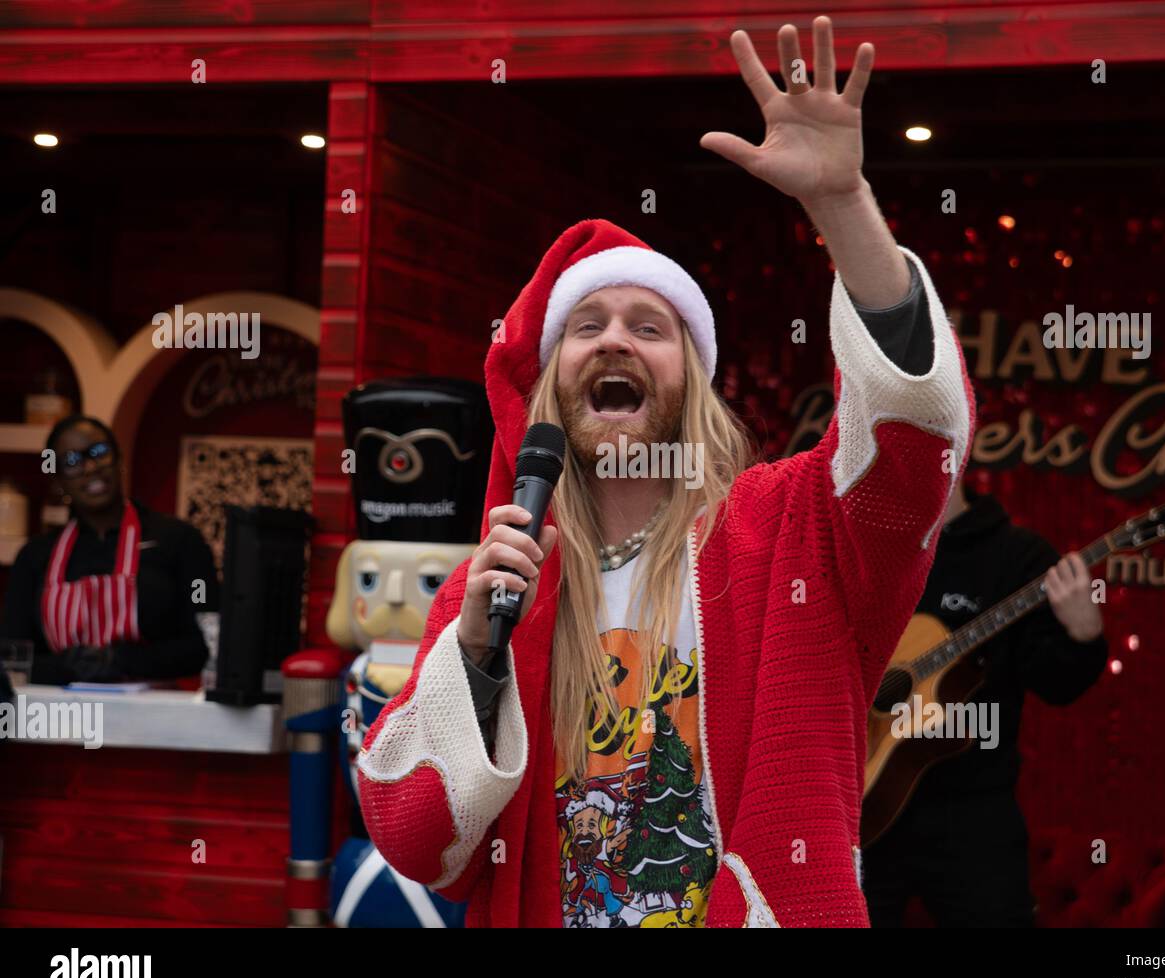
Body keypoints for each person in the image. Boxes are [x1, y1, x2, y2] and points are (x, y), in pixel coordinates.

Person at [357, 15, 974, 927]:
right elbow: (419, 843)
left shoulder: (791, 530)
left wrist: (842, 206)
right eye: (587, 324)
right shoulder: (501, 581)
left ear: (694, 383)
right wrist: (481, 654)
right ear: (550, 385)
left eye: (650, 327)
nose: (615, 338)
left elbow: (915, 440)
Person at [860, 482, 1108, 927]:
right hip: (865, 802)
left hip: (975, 817)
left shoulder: (1019, 557)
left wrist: (1084, 637)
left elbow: (1058, 685)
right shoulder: (870, 548)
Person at [1, 415, 218, 686]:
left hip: (156, 719)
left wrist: (122, 661)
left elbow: (205, 642)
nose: (90, 467)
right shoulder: (34, 557)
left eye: (99, 452)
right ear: (58, 480)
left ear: (119, 460)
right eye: (72, 461)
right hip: (60, 721)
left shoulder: (181, 542)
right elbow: (12, 655)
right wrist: (66, 666)